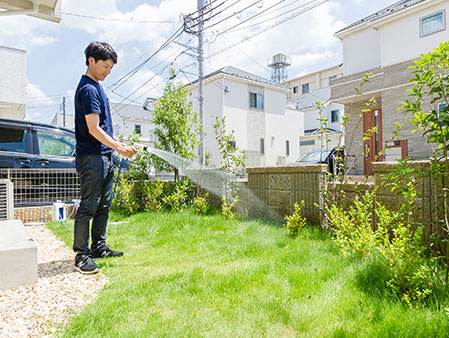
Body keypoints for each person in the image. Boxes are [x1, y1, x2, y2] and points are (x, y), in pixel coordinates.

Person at [73, 41, 137, 274]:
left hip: (105, 155)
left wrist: (116, 147)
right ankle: (81, 255)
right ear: (91, 60)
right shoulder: (88, 89)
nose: (108, 71)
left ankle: (99, 247)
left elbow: (104, 127)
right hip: (92, 157)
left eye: (111, 67)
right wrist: (119, 147)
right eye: (105, 66)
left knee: (104, 205)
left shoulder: (98, 86)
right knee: (89, 206)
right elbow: (93, 128)